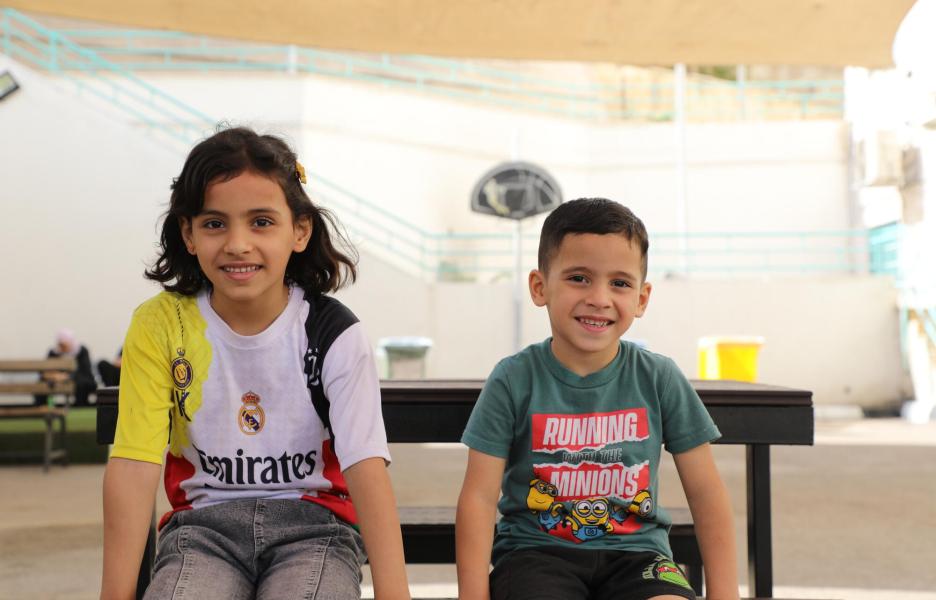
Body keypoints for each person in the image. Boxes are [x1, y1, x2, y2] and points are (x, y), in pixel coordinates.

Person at [101, 127, 410, 600]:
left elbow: (366, 469)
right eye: (214, 223)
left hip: (316, 531)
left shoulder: (333, 332)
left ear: (300, 230)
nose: (238, 243)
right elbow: (133, 465)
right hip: (201, 534)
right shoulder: (159, 325)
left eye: (261, 222)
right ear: (188, 232)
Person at [455, 198, 739, 600]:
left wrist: (725, 595)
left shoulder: (658, 377)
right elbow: (479, 498)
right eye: (579, 278)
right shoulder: (513, 379)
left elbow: (707, 493)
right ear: (540, 287)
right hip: (535, 556)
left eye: (620, 283)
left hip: (641, 558)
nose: (599, 298)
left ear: (641, 298)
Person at [36, 329, 97, 407]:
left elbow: (85, 370)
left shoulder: (81, 351)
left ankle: (81, 405)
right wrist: (55, 376)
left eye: (64, 345)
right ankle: (44, 406)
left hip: (78, 379)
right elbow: (45, 369)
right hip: (56, 379)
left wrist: (66, 376)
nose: (62, 347)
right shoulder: (53, 352)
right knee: (43, 383)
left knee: (82, 383)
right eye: (60, 345)